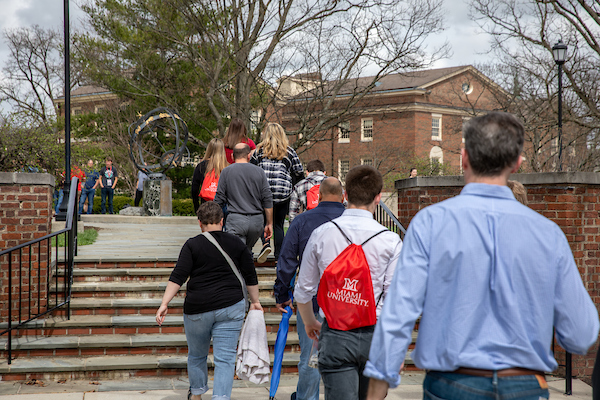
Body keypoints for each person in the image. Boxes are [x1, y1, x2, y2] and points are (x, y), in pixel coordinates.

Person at [364, 112, 600, 400]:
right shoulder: (548, 234)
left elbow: (399, 312)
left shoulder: (431, 223)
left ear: (464, 157)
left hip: (451, 383)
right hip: (525, 385)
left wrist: (378, 385)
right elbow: (581, 333)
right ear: (517, 162)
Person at [295, 165, 402, 400]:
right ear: (378, 197)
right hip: (376, 335)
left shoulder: (322, 233)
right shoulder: (391, 240)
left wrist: (310, 321)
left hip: (335, 332)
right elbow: (395, 298)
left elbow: (303, 291)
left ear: (346, 195)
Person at [156, 201, 263, 400]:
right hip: (231, 306)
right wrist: (255, 301)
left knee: (196, 355)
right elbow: (250, 275)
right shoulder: (236, 243)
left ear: (200, 223)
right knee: (225, 358)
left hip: (197, 308)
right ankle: (221, 397)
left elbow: (178, 276)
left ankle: (196, 395)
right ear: (222, 221)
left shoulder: (192, 244)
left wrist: (164, 303)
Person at [274, 177, 345, 400]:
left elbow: (286, 260)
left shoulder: (302, 221)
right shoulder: (353, 220)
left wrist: (282, 293)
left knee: (310, 358)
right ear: (343, 196)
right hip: (349, 302)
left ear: (319, 196)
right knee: (345, 360)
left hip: (312, 301)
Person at [251, 122, 304, 260]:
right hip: (282, 194)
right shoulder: (289, 152)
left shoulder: (258, 151)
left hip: (263, 193)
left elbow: (251, 171)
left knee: (264, 222)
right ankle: (279, 255)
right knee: (278, 225)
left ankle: (266, 244)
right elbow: (299, 173)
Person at [214, 143, 274, 255]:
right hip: (256, 222)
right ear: (249, 156)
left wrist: (215, 220)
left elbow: (219, 199)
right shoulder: (259, 172)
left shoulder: (226, 172)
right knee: (246, 252)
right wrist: (269, 223)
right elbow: (267, 198)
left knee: (236, 255)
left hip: (236, 220)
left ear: (232, 156)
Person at [191, 138, 228, 213]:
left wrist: (197, 208)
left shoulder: (201, 166)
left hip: (206, 206)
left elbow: (194, 189)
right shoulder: (227, 167)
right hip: (223, 206)